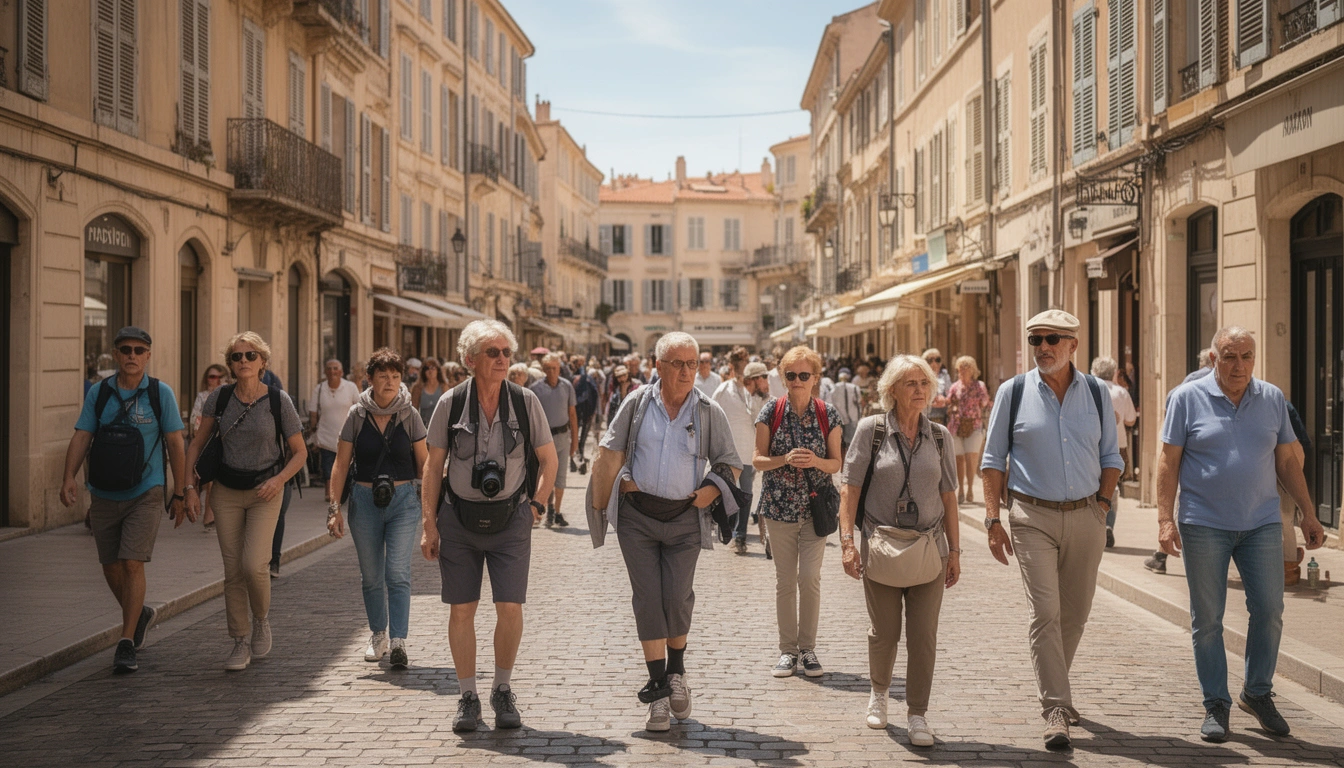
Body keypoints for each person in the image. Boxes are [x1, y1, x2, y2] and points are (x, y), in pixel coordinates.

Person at [1157, 326, 1324, 743]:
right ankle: (1216, 703)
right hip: (1203, 522)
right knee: (1208, 619)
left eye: (1247, 356)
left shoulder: (1271, 399)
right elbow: (1167, 461)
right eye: (1230, 357)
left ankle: (1257, 691)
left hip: (1262, 521)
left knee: (1269, 610)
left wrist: (1308, 512)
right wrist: (1164, 519)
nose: (1239, 366)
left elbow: (1287, 460)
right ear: (1213, 359)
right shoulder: (1185, 399)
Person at [979, 310, 1122, 748]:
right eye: (1037, 338)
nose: (1043, 346)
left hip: (1087, 516)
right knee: (1045, 613)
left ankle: (1057, 687)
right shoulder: (1014, 391)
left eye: (1053, 339)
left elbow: (1112, 458)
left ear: (1073, 345)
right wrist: (992, 519)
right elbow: (991, 460)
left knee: (1075, 614)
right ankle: (1056, 706)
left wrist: (1101, 505)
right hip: (1031, 517)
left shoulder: (1098, 393)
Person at [588, 332, 741, 733]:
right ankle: (658, 692)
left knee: (676, 596)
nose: (687, 370)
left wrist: (709, 492)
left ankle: (676, 672)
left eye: (692, 363)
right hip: (638, 517)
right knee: (647, 599)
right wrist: (615, 485)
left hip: (684, 518)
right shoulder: (637, 403)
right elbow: (609, 449)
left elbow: (731, 462)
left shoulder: (708, 411)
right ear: (658, 366)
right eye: (677, 363)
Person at [420, 320, 558, 733]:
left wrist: (536, 505)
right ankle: (467, 696)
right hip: (458, 519)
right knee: (462, 609)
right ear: (470, 359)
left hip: (511, 518)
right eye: (492, 353)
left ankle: (501, 689)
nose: (502, 360)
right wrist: (430, 524)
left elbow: (549, 460)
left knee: (510, 607)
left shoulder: (525, 401)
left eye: (506, 353)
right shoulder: (450, 402)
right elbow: (433, 466)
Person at [838, 354, 960, 745]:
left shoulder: (940, 436)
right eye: (911, 383)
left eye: (924, 383)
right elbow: (850, 490)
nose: (920, 390)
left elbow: (950, 496)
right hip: (882, 545)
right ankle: (878, 694)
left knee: (923, 635)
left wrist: (955, 551)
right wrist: (846, 544)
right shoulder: (871, 431)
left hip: (928, 547)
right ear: (892, 390)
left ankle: (918, 714)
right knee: (884, 633)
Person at [60, 327, 189, 674]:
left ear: (148, 355)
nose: (132, 355)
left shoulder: (161, 393)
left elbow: (176, 443)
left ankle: (126, 640)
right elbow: (82, 435)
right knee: (110, 565)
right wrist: (68, 477)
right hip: (103, 492)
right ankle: (141, 613)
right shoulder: (99, 393)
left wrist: (181, 491)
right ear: (116, 355)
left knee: (132, 562)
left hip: (146, 491)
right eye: (126, 349)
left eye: (139, 350)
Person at [185, 332, 307, 671]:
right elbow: (196, 445)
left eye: (250, 356)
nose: (243, 361)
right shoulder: (219, 399)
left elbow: (300, 452)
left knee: (254, 565)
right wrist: (188, 487)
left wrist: (279, 479)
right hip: (225, 490)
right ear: (230, 365)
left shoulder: (278, 400)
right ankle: (239, 640)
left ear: (263, 363)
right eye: (237, 357)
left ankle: (262, 618)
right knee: (232, 570)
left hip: (265, 490)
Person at [326, 349, 429, 669]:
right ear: (369, 379)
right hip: (364, 501)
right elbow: (340, 465)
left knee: (397, 572)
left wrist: (431, 511)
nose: (390, 382)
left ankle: (398, 641)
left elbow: (425, 463)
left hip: (403, 502)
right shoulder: (356, 415)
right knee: (371, 577)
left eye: (396, 376)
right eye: (383, 376)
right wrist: (334, 508)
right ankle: (378, 636)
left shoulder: (410, 415)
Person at [753, 346, 842, 680]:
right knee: (785, 580)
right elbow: (757, 459)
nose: (797, 381)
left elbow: (837, 463)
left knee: (810, 578)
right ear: (783, 377)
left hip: (815, 508)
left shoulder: (827, 414)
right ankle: (787, 651)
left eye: (804, 375)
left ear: (815, 378)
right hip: (778, 507)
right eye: (791, 375)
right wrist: (784, 459)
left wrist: (815, 462)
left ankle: (808, 648)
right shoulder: (770, 412)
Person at [1146, 346, 1218, 574]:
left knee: (1181, 501)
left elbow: (1170, 414)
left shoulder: (1191, 381)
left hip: (1189, 453)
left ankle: (1161, 556)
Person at [712, 350, 769, 554]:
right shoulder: (722, 390)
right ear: (731, 367)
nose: (741, 369)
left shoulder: (753, 390)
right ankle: (730, 527)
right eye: (738, 365)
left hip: (747, 450)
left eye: (744, 364)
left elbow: (762, 416)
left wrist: (757, 392)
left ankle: (741, 535)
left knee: (745, 494)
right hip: (727, 452)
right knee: (728, 493)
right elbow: (712, 417)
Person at [1090, 356, 1137, 547]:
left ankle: (1094, 525)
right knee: (1113, 487)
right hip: (1118, 446)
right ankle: (1108, 524)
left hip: (1092, 445)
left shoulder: (1088, 390)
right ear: (1115, 373)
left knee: (1092, 484)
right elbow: (1131, 420)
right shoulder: (1121, 392)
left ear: (1093, 372)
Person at [530, 353, 579, 528]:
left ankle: (556, 511)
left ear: (559, 368)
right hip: (543, 440)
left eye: (555, 368)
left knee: (561, 477)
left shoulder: (567, 387)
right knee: (546, 474)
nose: (552, 372)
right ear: (543, 370)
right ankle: (546, 508)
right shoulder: (535, 389)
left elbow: (572, 414)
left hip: (563, 437)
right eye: (548, 368)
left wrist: (575, 442)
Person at [309, 360, 361, 498]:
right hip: (326, 434)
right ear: (325, 372)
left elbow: (360, 408)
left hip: (347, 434)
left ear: (341, 371)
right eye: (329, 368)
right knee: (328, 465)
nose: (332, 371)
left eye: (335, 368)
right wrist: (313, 429)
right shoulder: (319, 389)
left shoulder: (350, 387)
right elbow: (313, 412)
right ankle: (329, 493)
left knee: (347, 463)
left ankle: (345, 490)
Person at [946, 356, 990, 505]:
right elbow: (948, 401)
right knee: (959, 459)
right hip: (956, 426)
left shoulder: (979, 386)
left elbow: (984, 402)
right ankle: (961, 490)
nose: (961, 373)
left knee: (971, 458)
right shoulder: (954, 387)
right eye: (959, 370)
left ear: (972, 370)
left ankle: (970, 488)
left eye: (965, 369)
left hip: (974, 425)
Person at [191, 363, 230, 531]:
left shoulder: (229, 395)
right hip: (204, 441)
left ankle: (209, 514)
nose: (213, 380)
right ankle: (206, 514)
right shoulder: (202, 396)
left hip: (223, 442)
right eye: (211, 376)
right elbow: (195, 419)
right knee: (207, 481)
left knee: (213, 482)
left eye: (218, 377)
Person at [573, 364, 600, 469]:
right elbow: (595, 395)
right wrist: (593, 412)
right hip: (587, 412)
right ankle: (580, 453)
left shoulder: (576, 381)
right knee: (583, 435)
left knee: (576, 434)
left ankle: (577, 456)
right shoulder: (590, 381)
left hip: (578, 411)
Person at [831, 369, 863, 455]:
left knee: (839, 444)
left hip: (838, 417)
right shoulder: (854, 388)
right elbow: (858, 400)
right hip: (852, 417)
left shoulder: (834, 387)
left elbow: (830, 401)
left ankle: (842, 463)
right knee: (850, 444)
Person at [410, 357, 447, 428]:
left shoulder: (443, 387)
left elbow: (448, 410)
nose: (430, 371)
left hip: (440, 428)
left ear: (437, 370)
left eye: (433, 368)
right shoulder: (418, 388)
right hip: (423, 428)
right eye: (427, 368)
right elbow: (413, 411)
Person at [922, 349, 952, 425]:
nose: (934, 363)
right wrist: (930, 402)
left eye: (937, 360)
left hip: (942, 418)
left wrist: (944, 401)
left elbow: (951, 396)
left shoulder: (945, 376)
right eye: (930, 360)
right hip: (925, 417)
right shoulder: (920, 377)